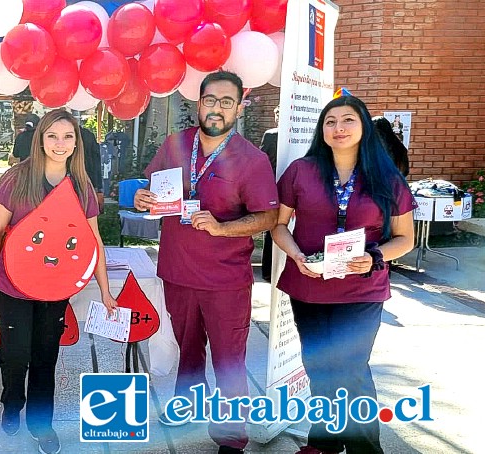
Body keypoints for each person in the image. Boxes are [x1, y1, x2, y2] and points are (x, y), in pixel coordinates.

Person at [134, 71, 279, 454]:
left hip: (225, 280)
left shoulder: (252, 159)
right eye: (210, 100)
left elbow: (267, 218)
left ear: (238, 107)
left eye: (226, 102)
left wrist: (221, 228)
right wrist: (143, 198)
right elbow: (151, 189)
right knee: (189, 350)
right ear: (199, 103)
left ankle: (231, 439)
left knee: (229, 360)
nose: (217, 109)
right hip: (177, 272)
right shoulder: (175, 144)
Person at [271, 93, 416, 454]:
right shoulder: (301, 172)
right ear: (321, 130)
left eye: (348, 119)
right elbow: (278, 226)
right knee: (318, 366)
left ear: (363, 126)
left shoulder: (386, 178)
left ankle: (366, 449)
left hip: (361, 290)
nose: (339, 128)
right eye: (330, 121)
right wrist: (297, 254)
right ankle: (323, 442)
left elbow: (406, 239)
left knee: (351, 369)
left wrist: (375, 256)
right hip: (310, 286)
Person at [0, 109, 118, 454]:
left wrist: (105, 289)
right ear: (40, 139)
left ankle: (42, 424)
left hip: (55, 288)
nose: (60, 143)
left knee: (45, 357)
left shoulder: (81, 185)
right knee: (15, 354)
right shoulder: (17, 178)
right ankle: (12, 402)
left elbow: (93, 241)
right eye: (52, 136)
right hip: (12, 286)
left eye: (67, 136)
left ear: (76, 143)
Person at [259, 105, 280, 282]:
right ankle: (268, 270)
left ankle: (269, 271)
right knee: (273, 228)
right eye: (276, 114)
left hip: (280, 187)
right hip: (274, 188)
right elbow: (262, 159)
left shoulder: (272, 135)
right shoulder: (272, 135)